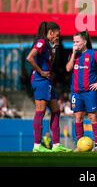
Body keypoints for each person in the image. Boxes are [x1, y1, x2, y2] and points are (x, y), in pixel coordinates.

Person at [26, 21, 72, 153]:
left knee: (56, 110)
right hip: (40, 80)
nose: (59, 36)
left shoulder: (47, 45)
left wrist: (54, 48)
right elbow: (30, 58)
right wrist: (41, 71)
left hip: (47, 81)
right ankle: (37, 145)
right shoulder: (40, 42)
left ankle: (57, 145)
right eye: (58, 33)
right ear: (51, 32)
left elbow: (49, 62)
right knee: (40, 112)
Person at [66, 30, 97, 152]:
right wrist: (73, 54)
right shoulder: (73, 55)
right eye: (73, 41)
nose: (75, 44)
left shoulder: (93, 54)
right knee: (78, 117)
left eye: (77, 41)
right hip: (76, 92)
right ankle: (79, 145)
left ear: (84, 42)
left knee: (93, 118)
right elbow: (68, 68)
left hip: (89, 92)